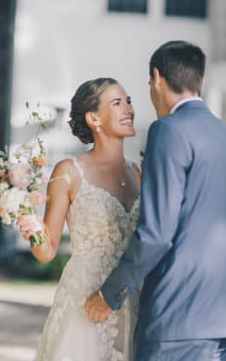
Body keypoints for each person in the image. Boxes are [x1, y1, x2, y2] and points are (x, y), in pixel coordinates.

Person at [84, 40, 226, 360]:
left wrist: (109, 294)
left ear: (157, 78)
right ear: (200, 81)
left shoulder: (168, 131)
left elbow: (156, 234)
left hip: (175, 324)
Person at [17, 77, 142, 360]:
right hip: (84, 299)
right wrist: (33, 229)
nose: (129, 110)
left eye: (129, 102)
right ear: (93, 118)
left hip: (132, 297)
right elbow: (46, 252)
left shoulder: (140, 174)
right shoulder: (69, 172)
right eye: (118, 103)